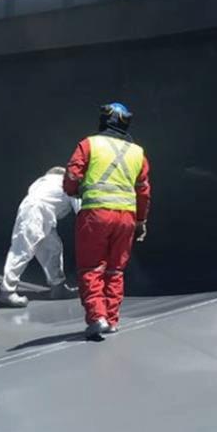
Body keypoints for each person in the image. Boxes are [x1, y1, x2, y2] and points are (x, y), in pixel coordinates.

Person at [62, 102, 150, 340]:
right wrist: (141, 221)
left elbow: (72, 175)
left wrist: (73, 190)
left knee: (91, 268)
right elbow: (143, 191)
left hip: (96, 215)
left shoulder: (89, 144)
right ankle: (111, 320)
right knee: (115, 269)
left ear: (104, 120)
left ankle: (97, 317)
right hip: (126, 218)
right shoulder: (138, 153)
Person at [0, 166, 80, 308]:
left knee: (53, 248)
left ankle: (58, 286)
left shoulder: (41, 183)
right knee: (23, 250)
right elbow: (80, 209)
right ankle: (7, 292)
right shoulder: (67, 183)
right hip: (36, 212)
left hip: (38, 213)